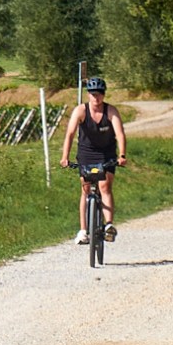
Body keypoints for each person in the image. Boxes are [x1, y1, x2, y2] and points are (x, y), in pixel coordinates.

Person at [58, 76, 127, 243]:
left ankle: (109, 225)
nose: (96, 97)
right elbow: (70, 134)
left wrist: (122, 155)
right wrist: (65, 157)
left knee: (104, 186)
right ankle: (83, 231)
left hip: (107, 153)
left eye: (99, 94)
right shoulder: (80, 111)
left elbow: (120, 134)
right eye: (93, 94)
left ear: (104, 95)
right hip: (87, 153)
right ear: (88, 94)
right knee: (86, 189)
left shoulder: (111, 111)